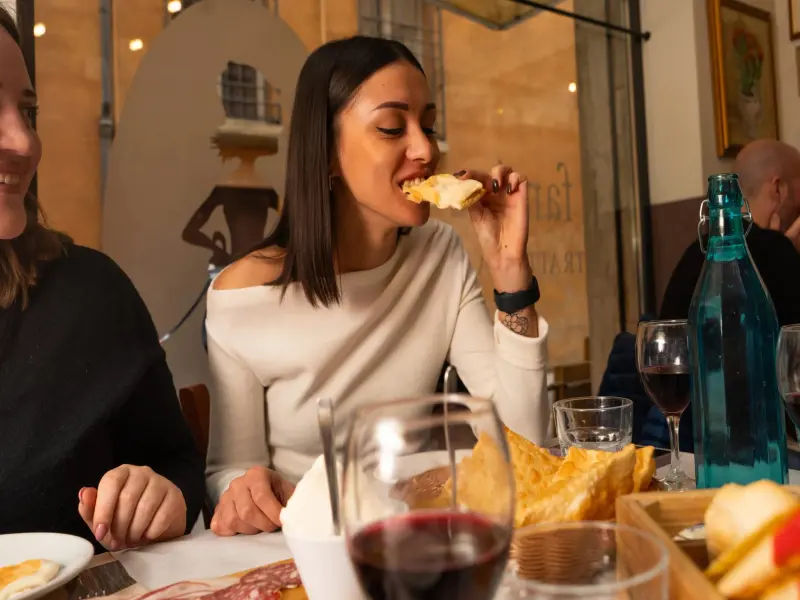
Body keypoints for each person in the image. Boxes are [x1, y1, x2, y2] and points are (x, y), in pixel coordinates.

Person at [206, 36, 550, 537]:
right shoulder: (241, 299)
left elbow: (526, 444)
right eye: (392, 127)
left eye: (428, 125)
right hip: (301, 548)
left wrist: (511, 273)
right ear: (325, 154)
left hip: (411, 539)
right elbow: (227, 472)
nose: (426, 149)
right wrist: (246, 491)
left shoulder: (439, 256)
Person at [0, 7, 205, 553]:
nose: (23, 143)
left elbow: (178, 465)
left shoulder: (91, 293)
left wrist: (161, 496)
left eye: (29, 111)